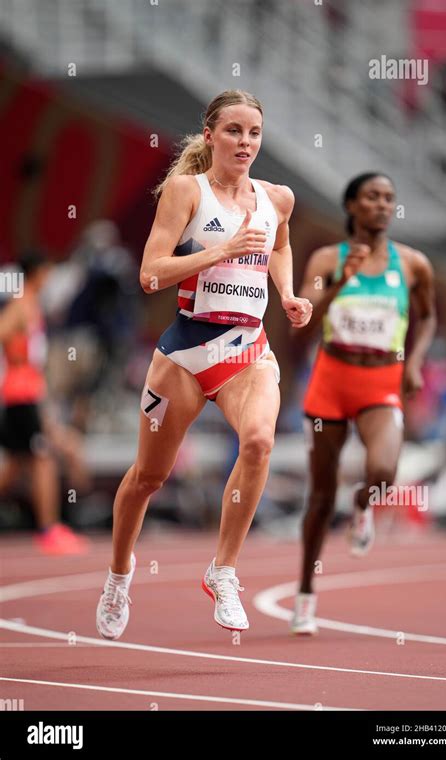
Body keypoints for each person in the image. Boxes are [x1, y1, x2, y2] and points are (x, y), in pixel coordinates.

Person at [96, 89, 312, 639]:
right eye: (235, 131)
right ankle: (120, 575)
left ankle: (224, 571)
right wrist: (222, 250)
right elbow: (151, 273)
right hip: (186, 354)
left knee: (259, 441)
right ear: (211, 134)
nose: (246, 142)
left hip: (247, 349)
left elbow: (280, 246)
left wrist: (286, 291)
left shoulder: (276, 198)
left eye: (255, 133)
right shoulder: (185, 192)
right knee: (148, 477)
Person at [290, 172, 436, 634]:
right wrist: (341, 282)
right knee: (319, 495)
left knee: (383, 472)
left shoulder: (412, 264)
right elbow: (303, 323)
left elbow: (428, 317)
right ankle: (305, 595)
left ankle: (363, 504)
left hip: (381, 381)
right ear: (351, 205)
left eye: (389, 198)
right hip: (332, 379)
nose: (382, 205)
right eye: (372, 197)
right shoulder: (327, 257)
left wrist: (414, 362)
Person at [0, 250, 90, 554]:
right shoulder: (22, 303)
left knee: (14, 465)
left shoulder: (30, 303)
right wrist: (16, 352)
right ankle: (49, 528)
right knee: (43, 459)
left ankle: (50, 527)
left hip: (24, 393)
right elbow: (3, 331)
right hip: (21, 394)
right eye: (48, 273)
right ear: (37, 274)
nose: (50, 279)